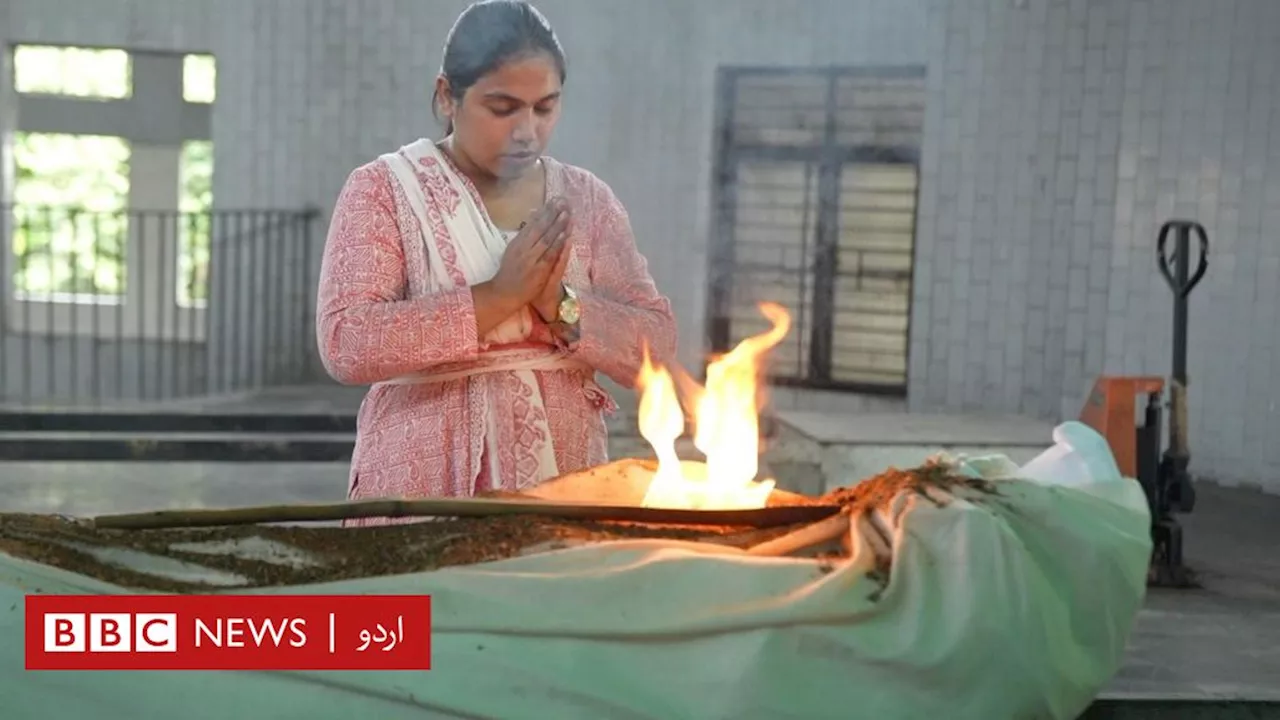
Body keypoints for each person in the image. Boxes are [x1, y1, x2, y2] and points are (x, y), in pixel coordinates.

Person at [316, 0, 677, 521]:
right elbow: (346, 342)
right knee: (434, 602)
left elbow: (656, 347)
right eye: (503, 108)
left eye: (545, 107)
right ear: (447, 96)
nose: (526, 130)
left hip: (563, 481)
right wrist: (498, 297)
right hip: (421, 484)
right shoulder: (385, 191)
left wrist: (560, 304)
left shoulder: (585, 199)